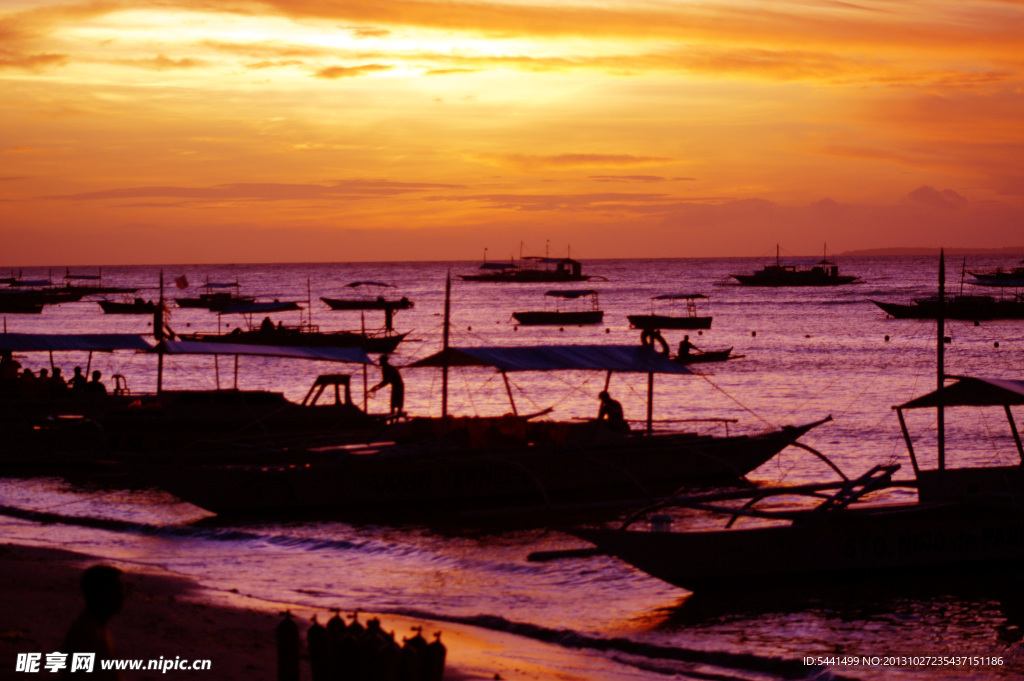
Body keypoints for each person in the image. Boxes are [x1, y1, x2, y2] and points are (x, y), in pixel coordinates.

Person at [62, 565, 124, 679]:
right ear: (98, 592)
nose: (122, 596)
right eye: (116, 589)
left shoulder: (97, 628)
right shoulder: (85, 635)